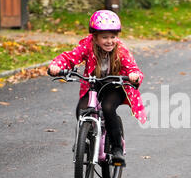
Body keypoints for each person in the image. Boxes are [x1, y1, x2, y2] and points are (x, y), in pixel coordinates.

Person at [48, 10, 146, 164]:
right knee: (82, 110)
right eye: (104, 37)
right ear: (94, 37)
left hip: (116, 85)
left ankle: (116, 148)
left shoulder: (121, 50)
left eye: (113, 37)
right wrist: (56, 66)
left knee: (108, 108)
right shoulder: (88, 45)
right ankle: (85, 140)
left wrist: (133, 75)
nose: (109, 41)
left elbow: (132, 68)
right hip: (94, 84)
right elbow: (70, 57)